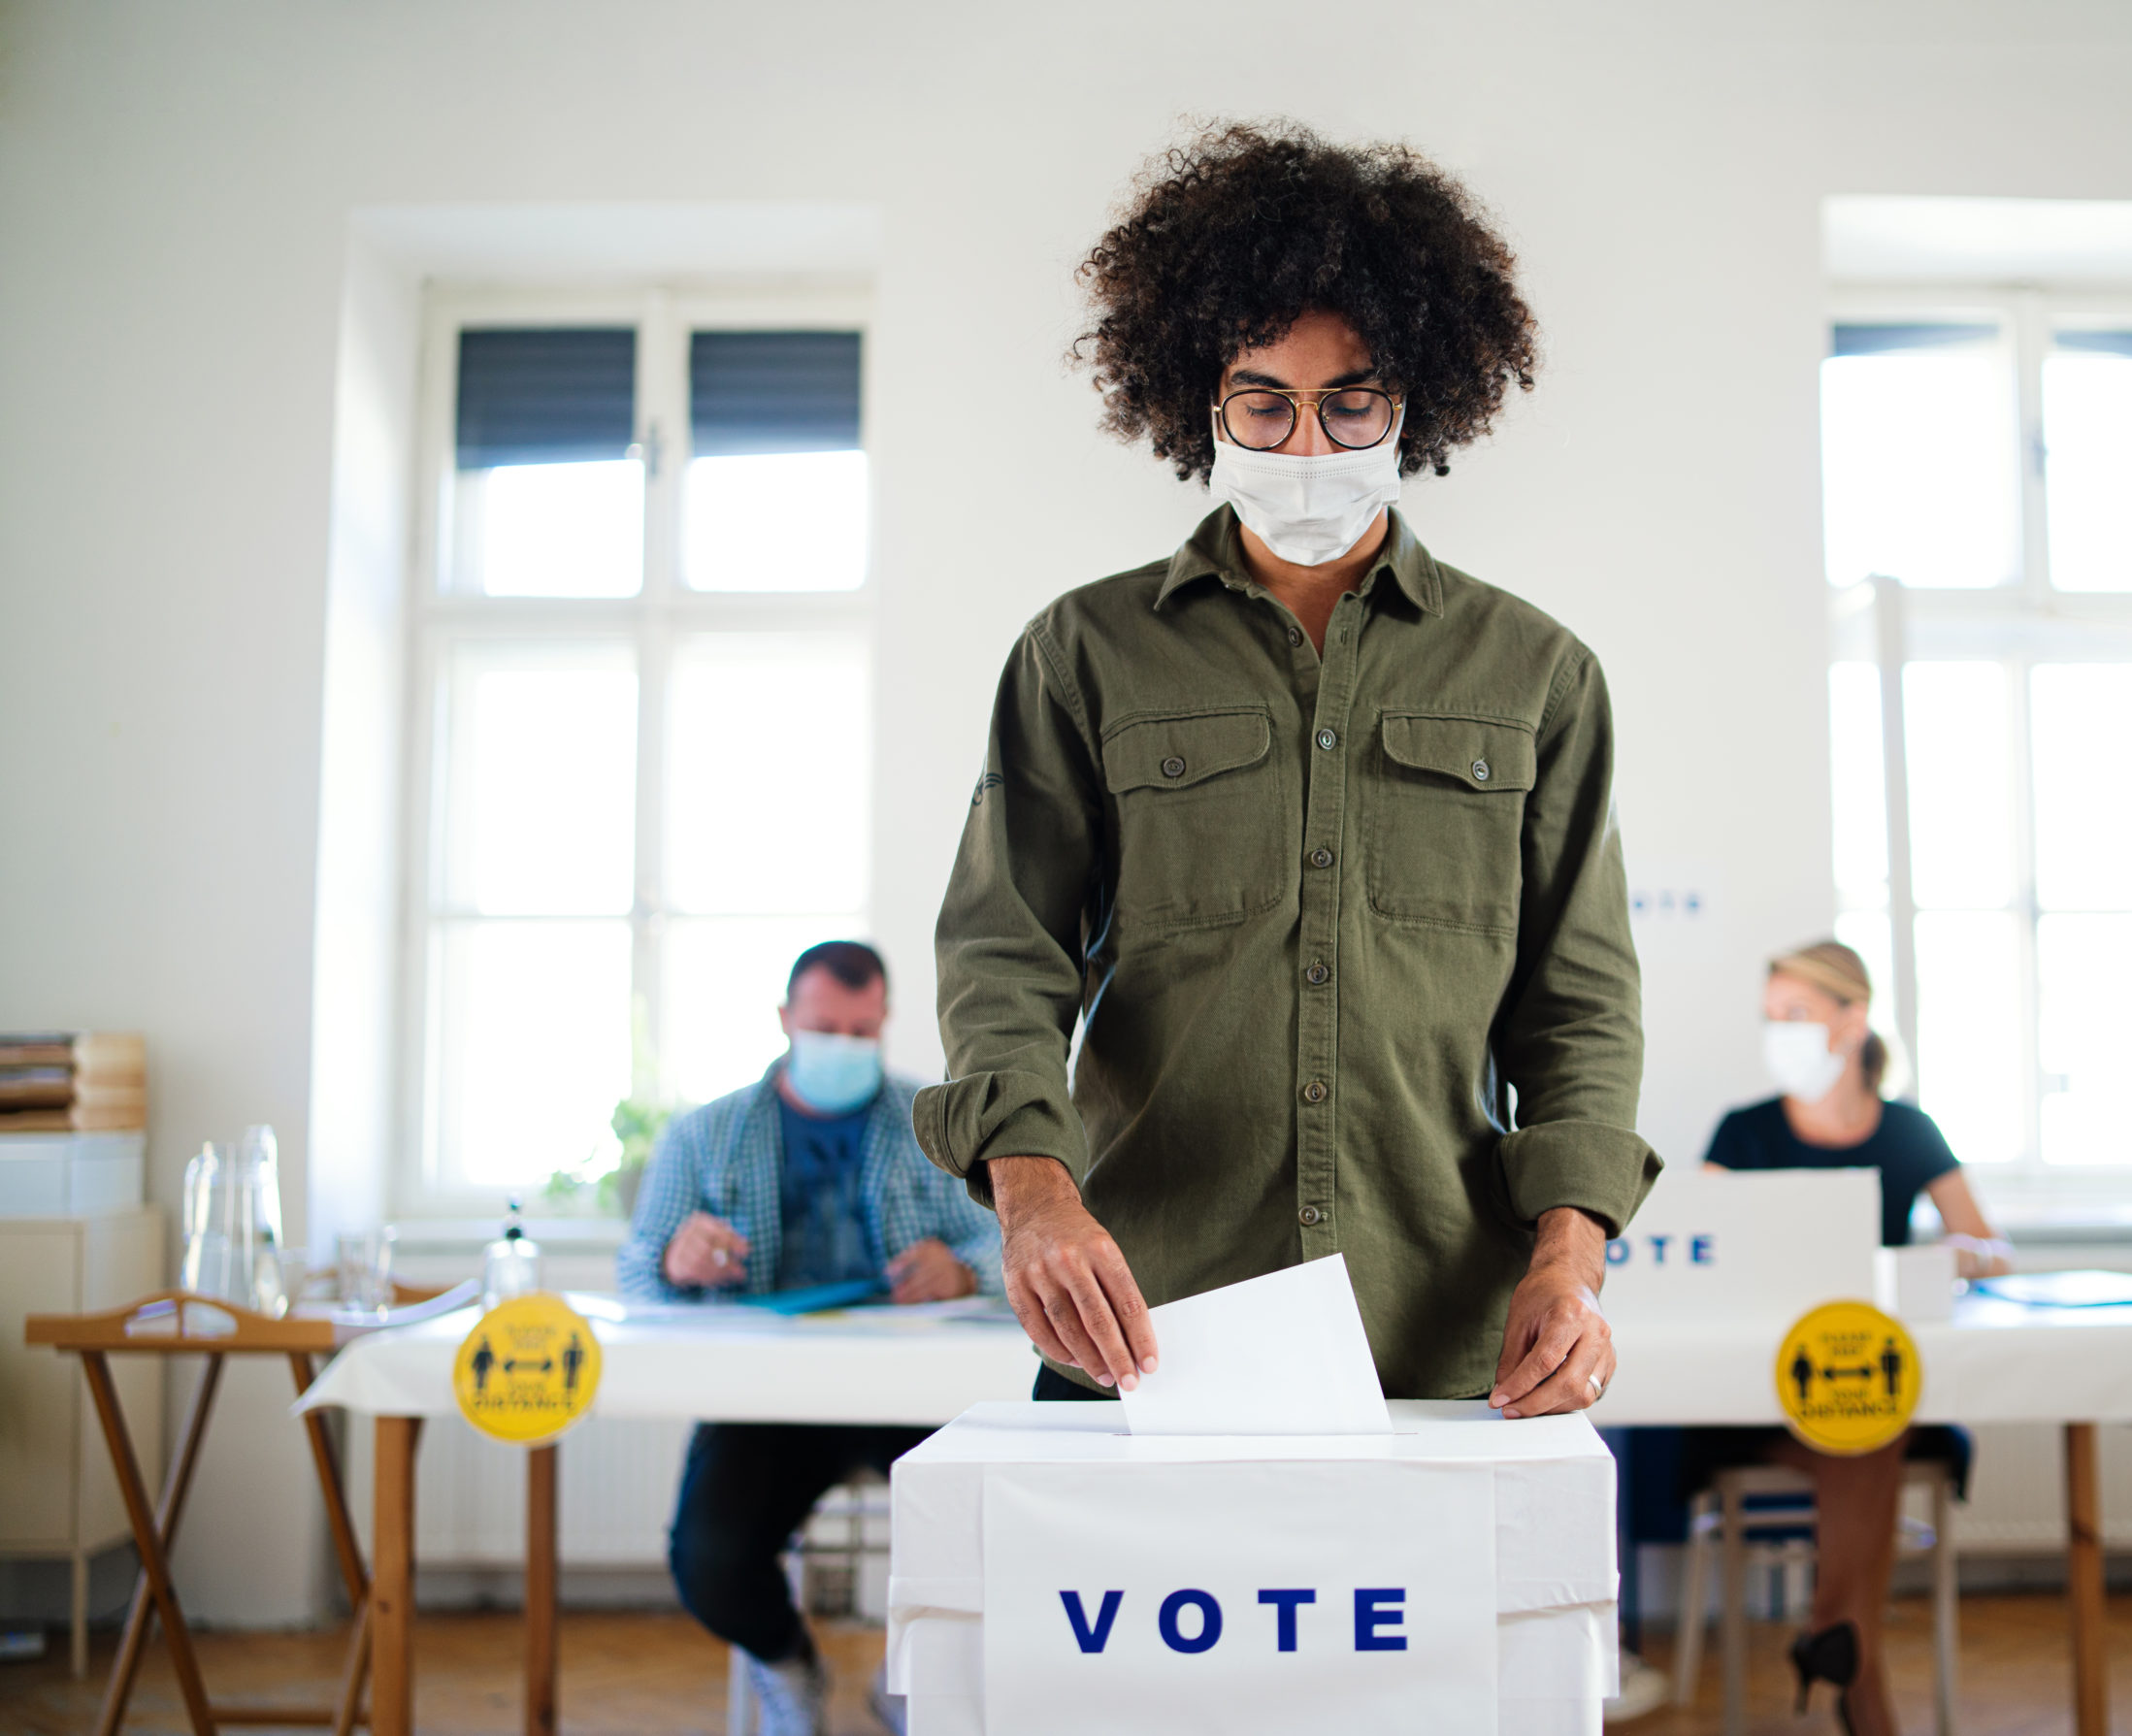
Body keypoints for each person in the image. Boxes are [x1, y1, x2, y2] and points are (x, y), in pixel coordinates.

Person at [914, 120, 1658, 1423]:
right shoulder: (1081, 654)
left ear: (1413, 399)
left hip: (1442, 1335)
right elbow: (1004, 953)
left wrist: (1572, 1254)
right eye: (1264, 399)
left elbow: (1578, 1004)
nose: (1305, 442)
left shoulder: (1538, 673)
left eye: (1349, 399)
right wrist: (1033, 1196)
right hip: (1145, 1324)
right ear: (1201, 400)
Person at [618, 940, 1000, 1736]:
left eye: (863, 1031)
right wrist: (675, 1258)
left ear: (887, 1022)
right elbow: (636, 1274)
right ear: (786, 1019)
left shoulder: (935, 1124)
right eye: (826, 1027)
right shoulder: (706, 1135)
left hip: (910, 1396)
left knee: (989, 1522)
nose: (844, 1046)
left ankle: (911, 1679)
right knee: (709, 1559)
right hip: (765, 1405)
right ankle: (789, 1663)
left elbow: (1004, 1244)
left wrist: (962, 1270)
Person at [1692, 939, 2010, 1736]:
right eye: (1773, 1017)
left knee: (1866, 1414)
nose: (1782, 1032)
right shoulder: (1744, 1131)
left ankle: (1834, 1640)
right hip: (1762, 1397)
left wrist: (1957, 1254)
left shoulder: (1907, 1130)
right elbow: (1697, 1243)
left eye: (1797, 1014)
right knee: (1870, 1423)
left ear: (1851, 1020)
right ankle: (1852, 1670)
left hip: (1869, 1380)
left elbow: (1991, 1246)